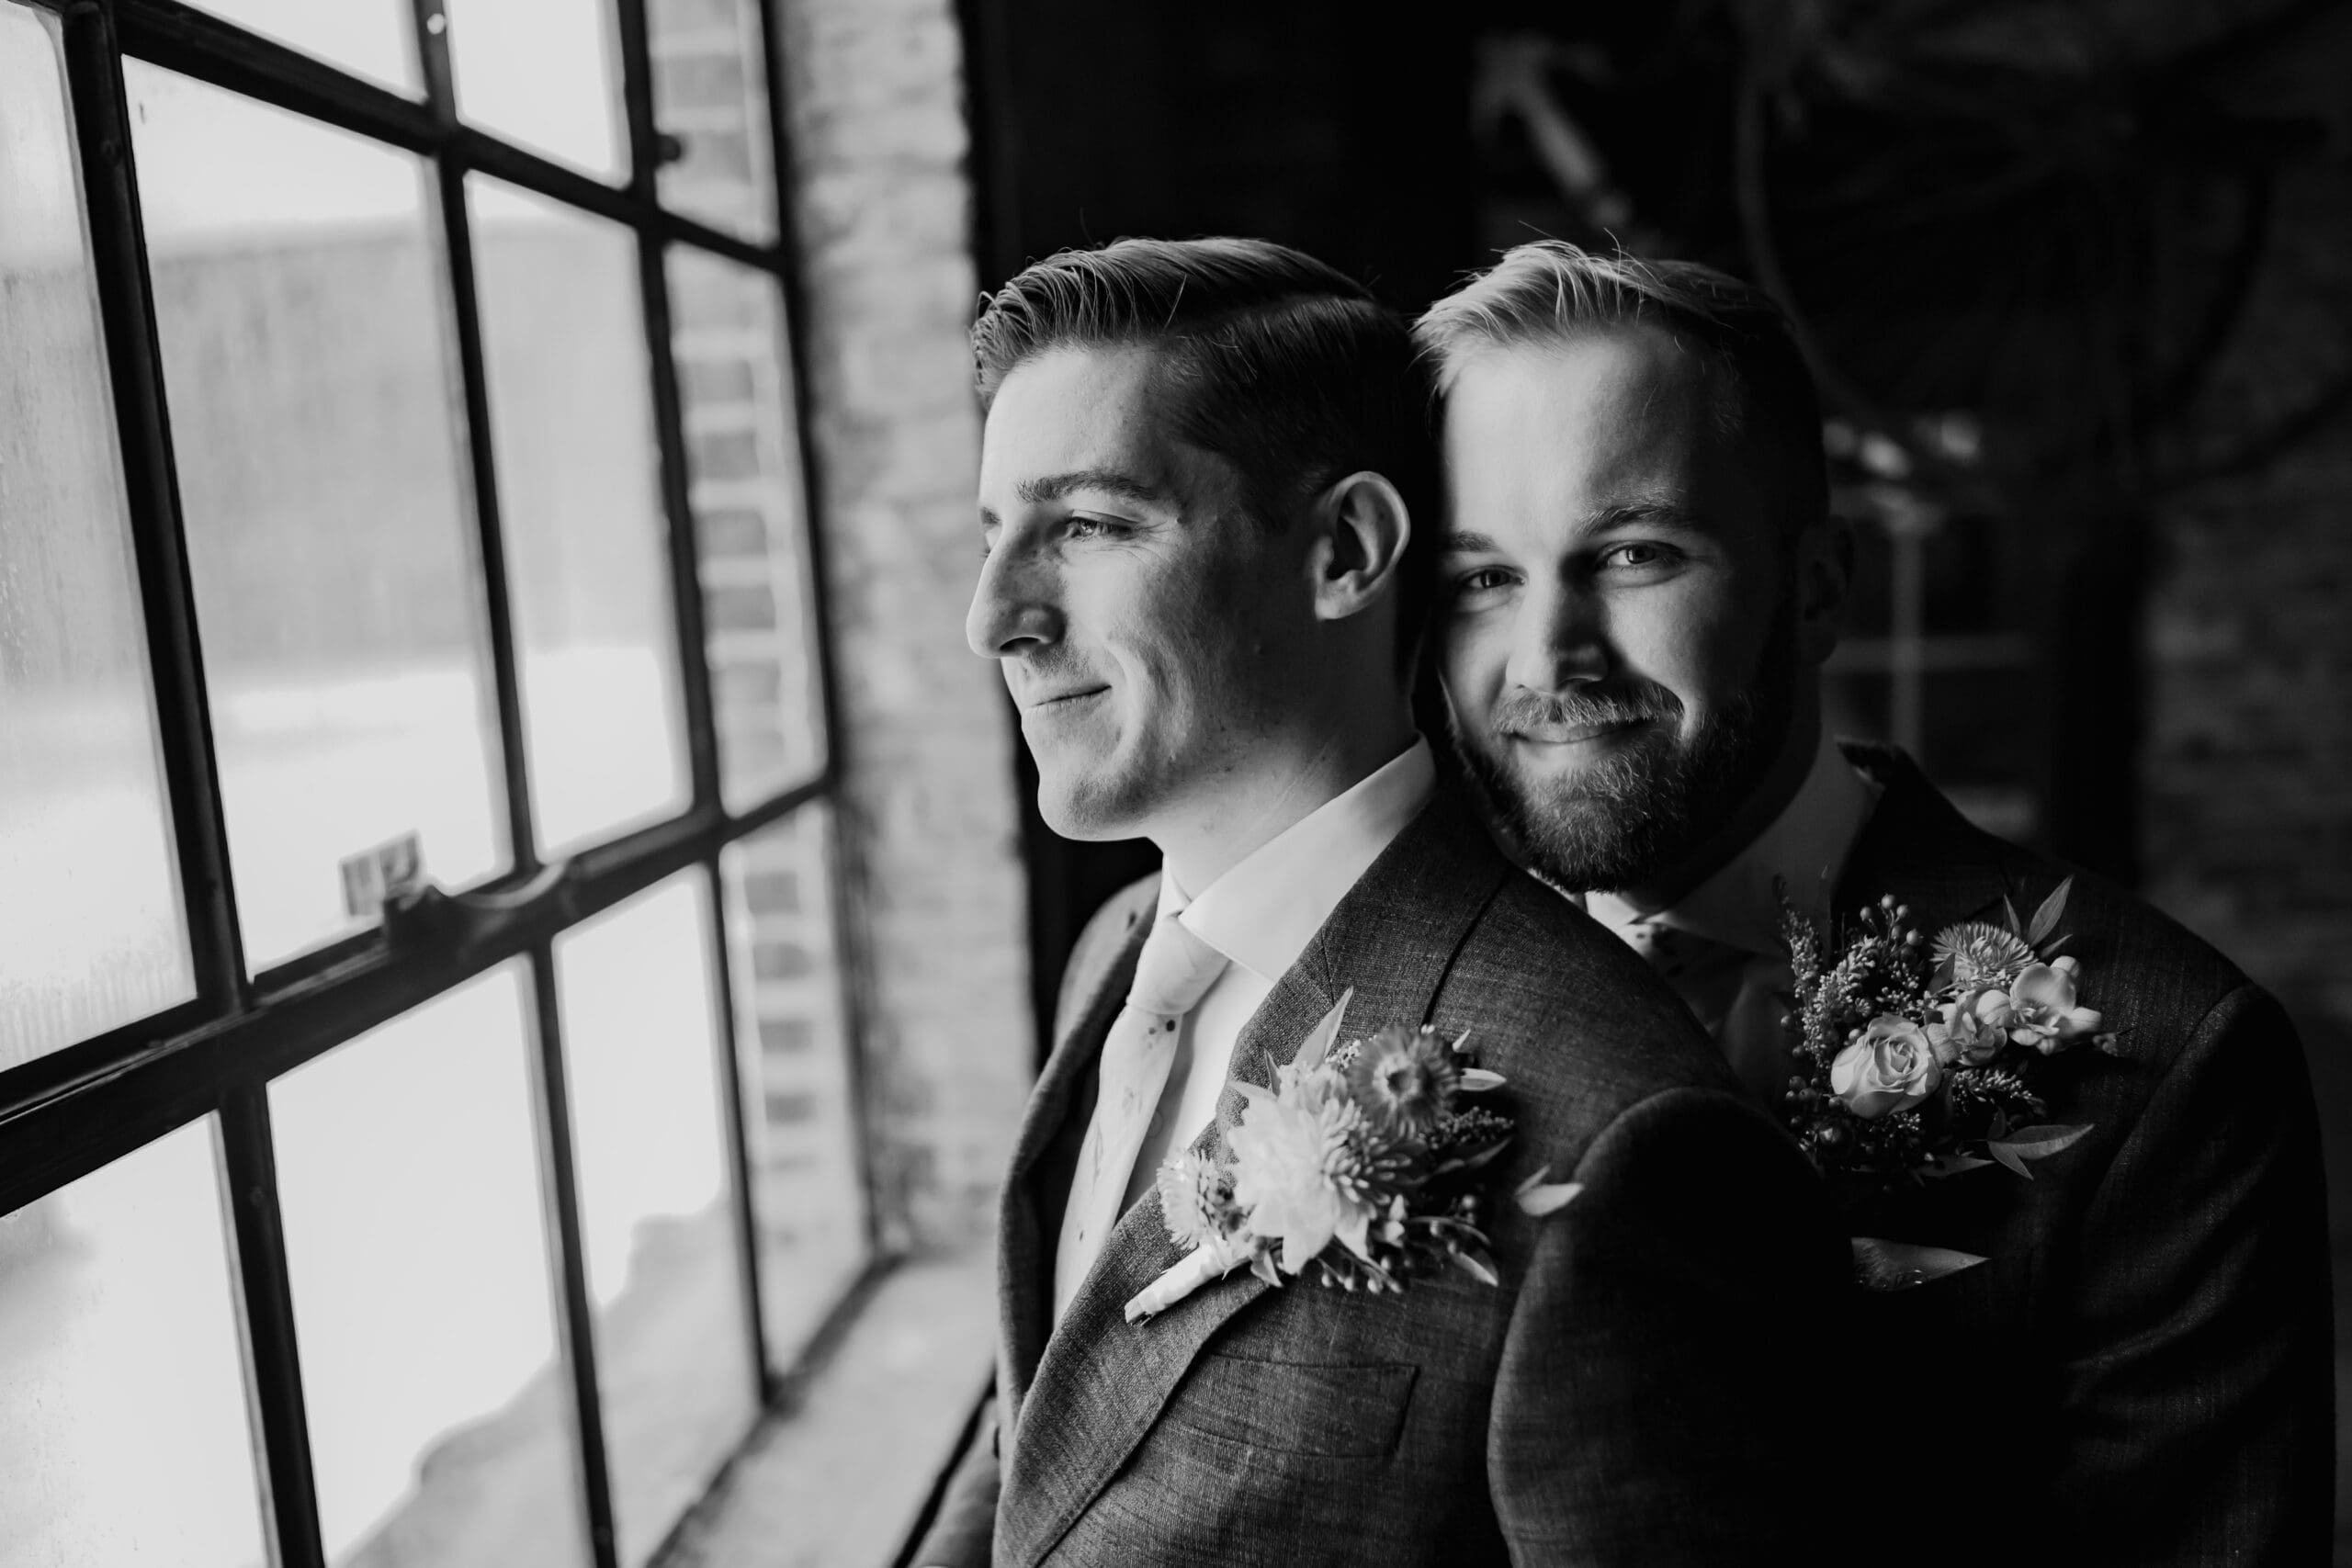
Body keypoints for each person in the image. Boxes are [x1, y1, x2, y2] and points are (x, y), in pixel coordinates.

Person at [911, 235, 1852, 1567]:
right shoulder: (1114, 956)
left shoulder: (1620, 1130)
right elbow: (1038, 1447)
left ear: (1347, 548)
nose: (993, 616)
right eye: (996, 534)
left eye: (1088, 526)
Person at [1421, 238, 2335, 1565]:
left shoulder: (2168, 1063)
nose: (1548, 654)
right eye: (1481, 580)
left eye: (1633, 556)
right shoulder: (1382, 982)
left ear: (1816, 589)